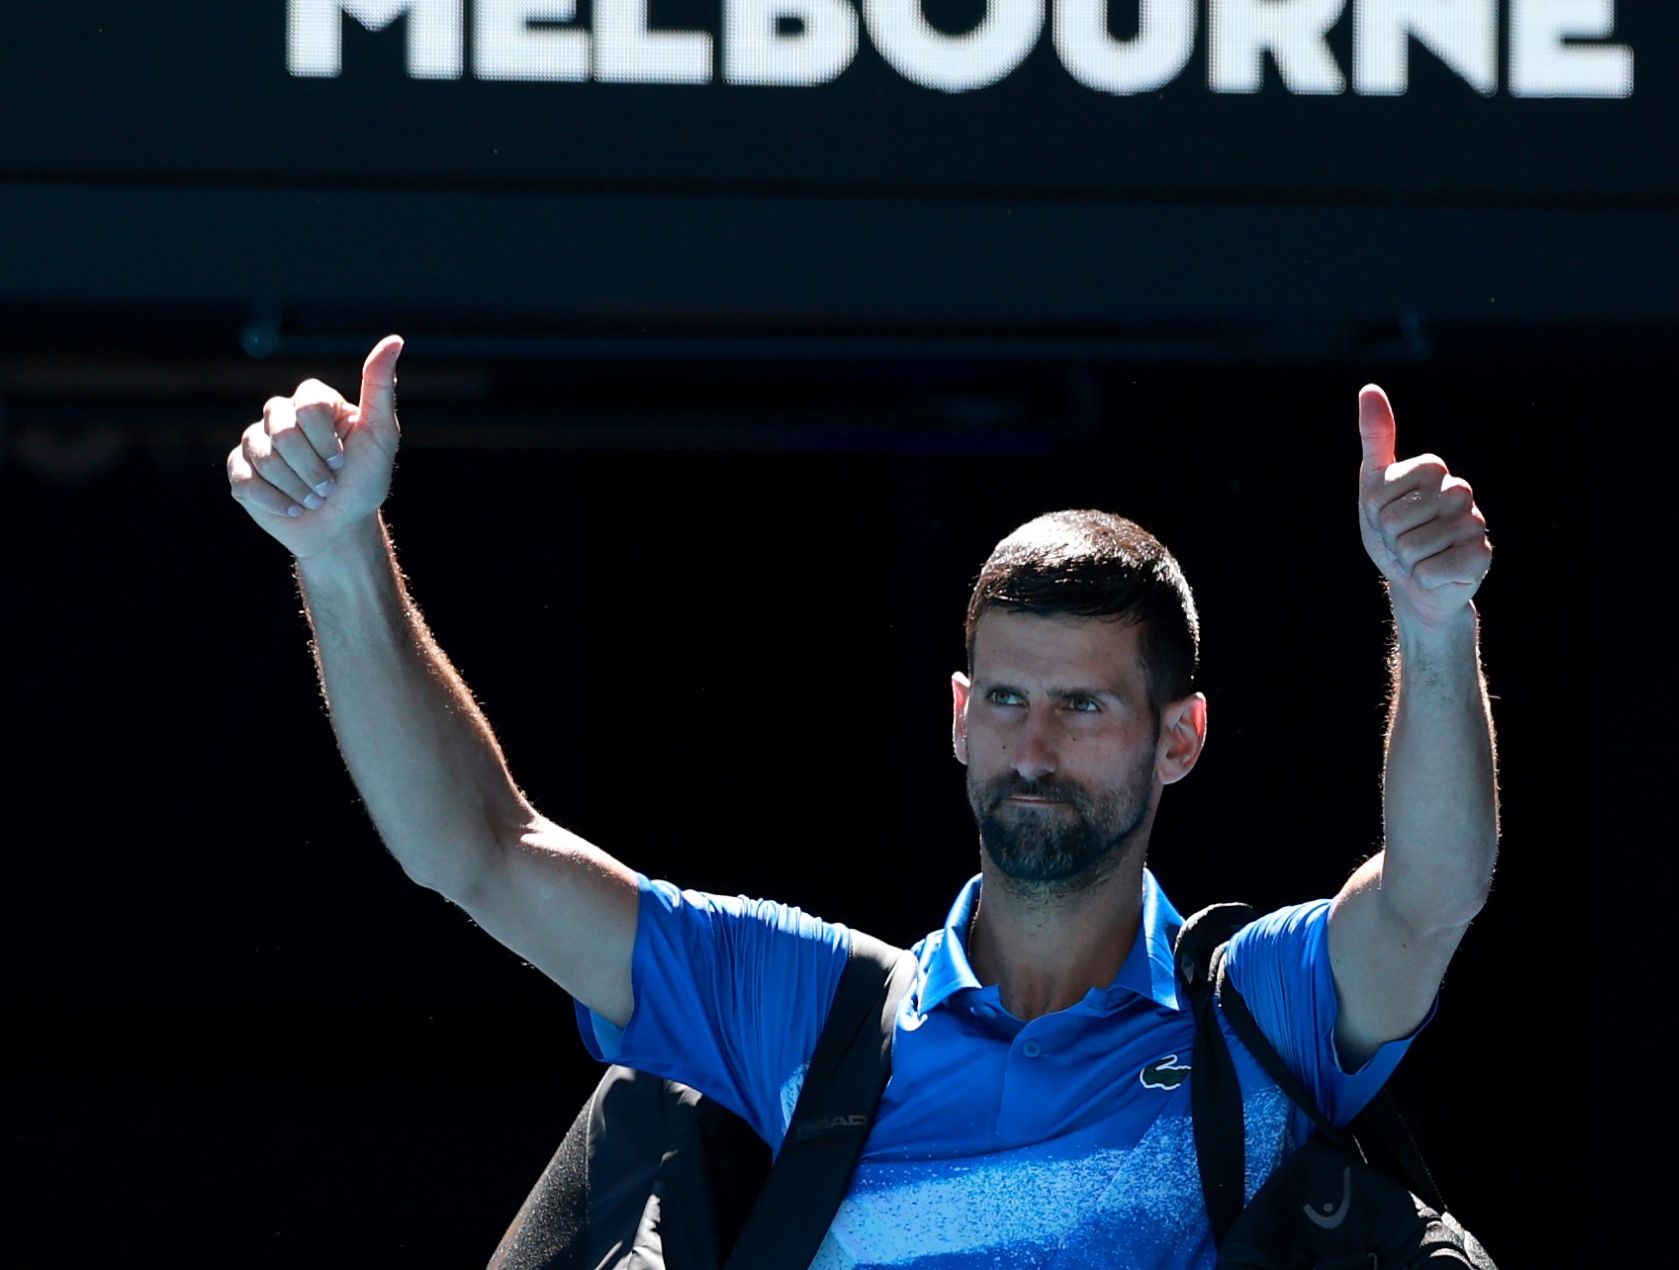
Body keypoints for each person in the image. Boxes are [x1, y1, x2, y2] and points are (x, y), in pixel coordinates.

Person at [226, 335, 1498, 1267]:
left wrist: (1434, 627)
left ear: (1182, 738)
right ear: (958, 716)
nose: (1034, 746)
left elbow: (1430, 896)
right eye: (1005, 701)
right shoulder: (802, 1012)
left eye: (1085, 706)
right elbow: (479, 849)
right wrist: (340, 554)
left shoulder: (1254, 1018)